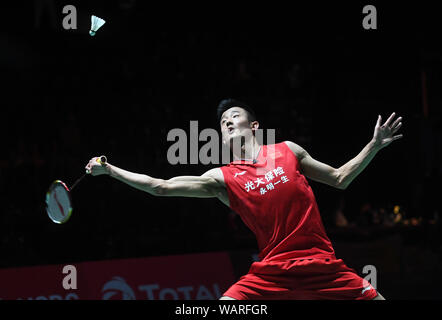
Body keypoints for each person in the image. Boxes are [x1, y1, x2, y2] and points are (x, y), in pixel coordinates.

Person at [85, 99, 403, 300]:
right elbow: (161, 186)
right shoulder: (223, 178)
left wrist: (374, 146)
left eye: (233, 116)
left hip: (323, 264)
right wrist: (111, 171)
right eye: (222, 123)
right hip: (271, 273)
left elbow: (339, 178)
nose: (226, 121)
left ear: (253, 126)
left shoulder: (288, 151)